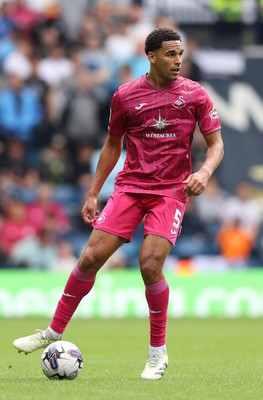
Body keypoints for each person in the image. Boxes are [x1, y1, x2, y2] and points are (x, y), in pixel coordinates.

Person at [13, 27, 224, 380]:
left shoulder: (194, 94)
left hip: (171, 190)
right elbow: (113, 145)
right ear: (151, 55)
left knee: (150, 263)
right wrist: (95, 192)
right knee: (91, 257)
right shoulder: (125, 96)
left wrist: (204, 172)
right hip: (130, 187)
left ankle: (157, 353)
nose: (178, 61)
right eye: (171, 54)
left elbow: (216, 144)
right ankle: (53, 331)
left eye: (180, 54)